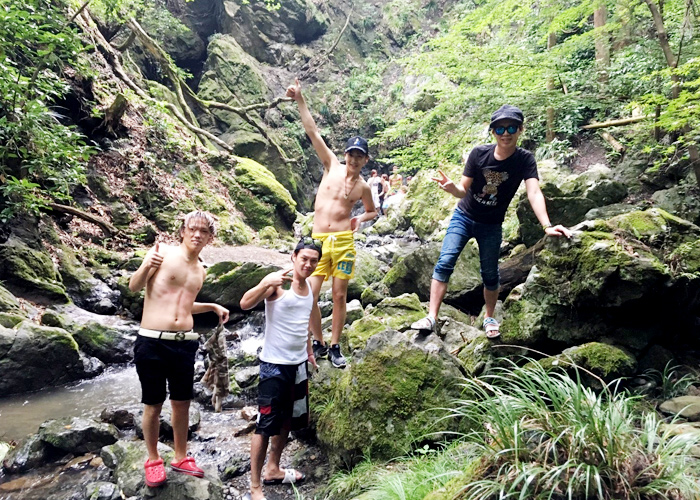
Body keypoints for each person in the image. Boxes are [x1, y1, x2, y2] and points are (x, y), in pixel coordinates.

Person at [410, 105, 572, 338]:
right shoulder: (479, 154)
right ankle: (431, 318)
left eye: (511, 127)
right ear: (493, 131)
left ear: (520, 130)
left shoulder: (524, 160)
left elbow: (534, 192)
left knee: (490, 274)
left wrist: (547, 225)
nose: (505, 133)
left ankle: (489, 317)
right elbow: (462, 190)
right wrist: (452, 188)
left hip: (491, 225)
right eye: (500, 128)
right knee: (445, 262)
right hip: (464, 217)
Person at [128, 210, 230, 488]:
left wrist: (211, 306)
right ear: (183, 231)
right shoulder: (162, 253)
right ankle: (153, 460)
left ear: (210, 238)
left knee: (182, 402)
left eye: (204, 231)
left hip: (185, 342)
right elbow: (134, 286)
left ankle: (181, 457)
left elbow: (184, 303)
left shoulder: (201, 270)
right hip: (152, 340)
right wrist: (146, 265)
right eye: (192, 229)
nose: (197, 234)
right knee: (153, 403)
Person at [286, 78, 377, 368]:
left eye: (359, 156)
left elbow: (373, 212)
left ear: (365, 160)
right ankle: (318, 340)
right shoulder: (331, 165)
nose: (354, 159)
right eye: (351, 154)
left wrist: (359, 218)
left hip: (344, 243)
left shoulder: (363, 187)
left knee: (339, 296)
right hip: (317, 242)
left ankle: (335, 345)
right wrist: (300, 99)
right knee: (310, 294)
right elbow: (312, 132)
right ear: (345, 154)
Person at [239, 237, 322, 500]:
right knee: (265, 425)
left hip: (298, 366)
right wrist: (265, 283)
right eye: (304, 258)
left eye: (313, 261)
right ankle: (255, 487)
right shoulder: (277, 283)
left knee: (288, 419)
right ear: (294, 257)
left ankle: (273, 469)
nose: (308, 264)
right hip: (273, 367)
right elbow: (244, 303)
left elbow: (304, 321)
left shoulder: (310, 286)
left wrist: (310, 351)